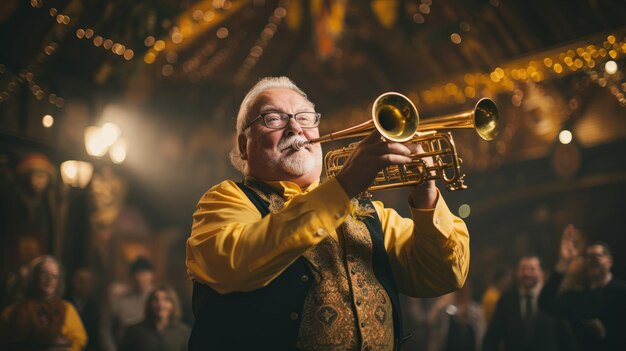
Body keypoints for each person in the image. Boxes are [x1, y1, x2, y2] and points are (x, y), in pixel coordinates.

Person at [186, 76, 470, 350]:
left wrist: (425, 193)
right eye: (273, 118)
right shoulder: (225, 200)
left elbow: (443, 275)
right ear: (243, 146)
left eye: (305, 117)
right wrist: (343, 187)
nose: (294, 128)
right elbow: (236, 263)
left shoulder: (369, 213)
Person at [538, 225, 626, 351]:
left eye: (596, 257)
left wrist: (607, 332)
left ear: (609, 262)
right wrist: (564, 262)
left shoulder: (622, 292)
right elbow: (544, 303)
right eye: (587, 258)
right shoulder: (576, 296)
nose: (591, 261)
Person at [482, 255, 575, 351]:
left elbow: (566, 338)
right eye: (522, 269)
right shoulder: (506, 300)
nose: (526, 273)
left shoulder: (552, 299)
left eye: (532, 269)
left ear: (541, 273)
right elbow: (492, 338)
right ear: (517, 272)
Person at [0, 255, 87, 351]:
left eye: (54, 276)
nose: (49, 279)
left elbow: (80, 339)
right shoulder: (14, 311)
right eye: (44, 274)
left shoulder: (67, 309)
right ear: (34, 277)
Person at [101, 256, 155, 351]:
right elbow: (105, 329)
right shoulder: (120, 301)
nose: (139, 278)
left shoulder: (159, 300)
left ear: (152, 276)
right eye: (136, 274)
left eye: (143, 273)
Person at [118, 285, 190, 351]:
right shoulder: (134, 331)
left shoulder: (183, 333)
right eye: (156, 299)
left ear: (173, 305)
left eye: (166, 300)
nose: (161, 304)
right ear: (150, 304)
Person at [427, 282, 485, 351]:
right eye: (460, 293)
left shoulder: (476, 312)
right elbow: (430, 321)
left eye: (464, 292)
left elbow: (481, 335)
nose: (463, 295)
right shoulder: (446, 310)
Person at [66, 268, 103, 351]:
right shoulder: (65, 301)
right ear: (74, 281)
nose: (84, 285)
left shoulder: (95, 306)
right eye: (81, 281)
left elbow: (96, 334)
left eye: (88, 282)